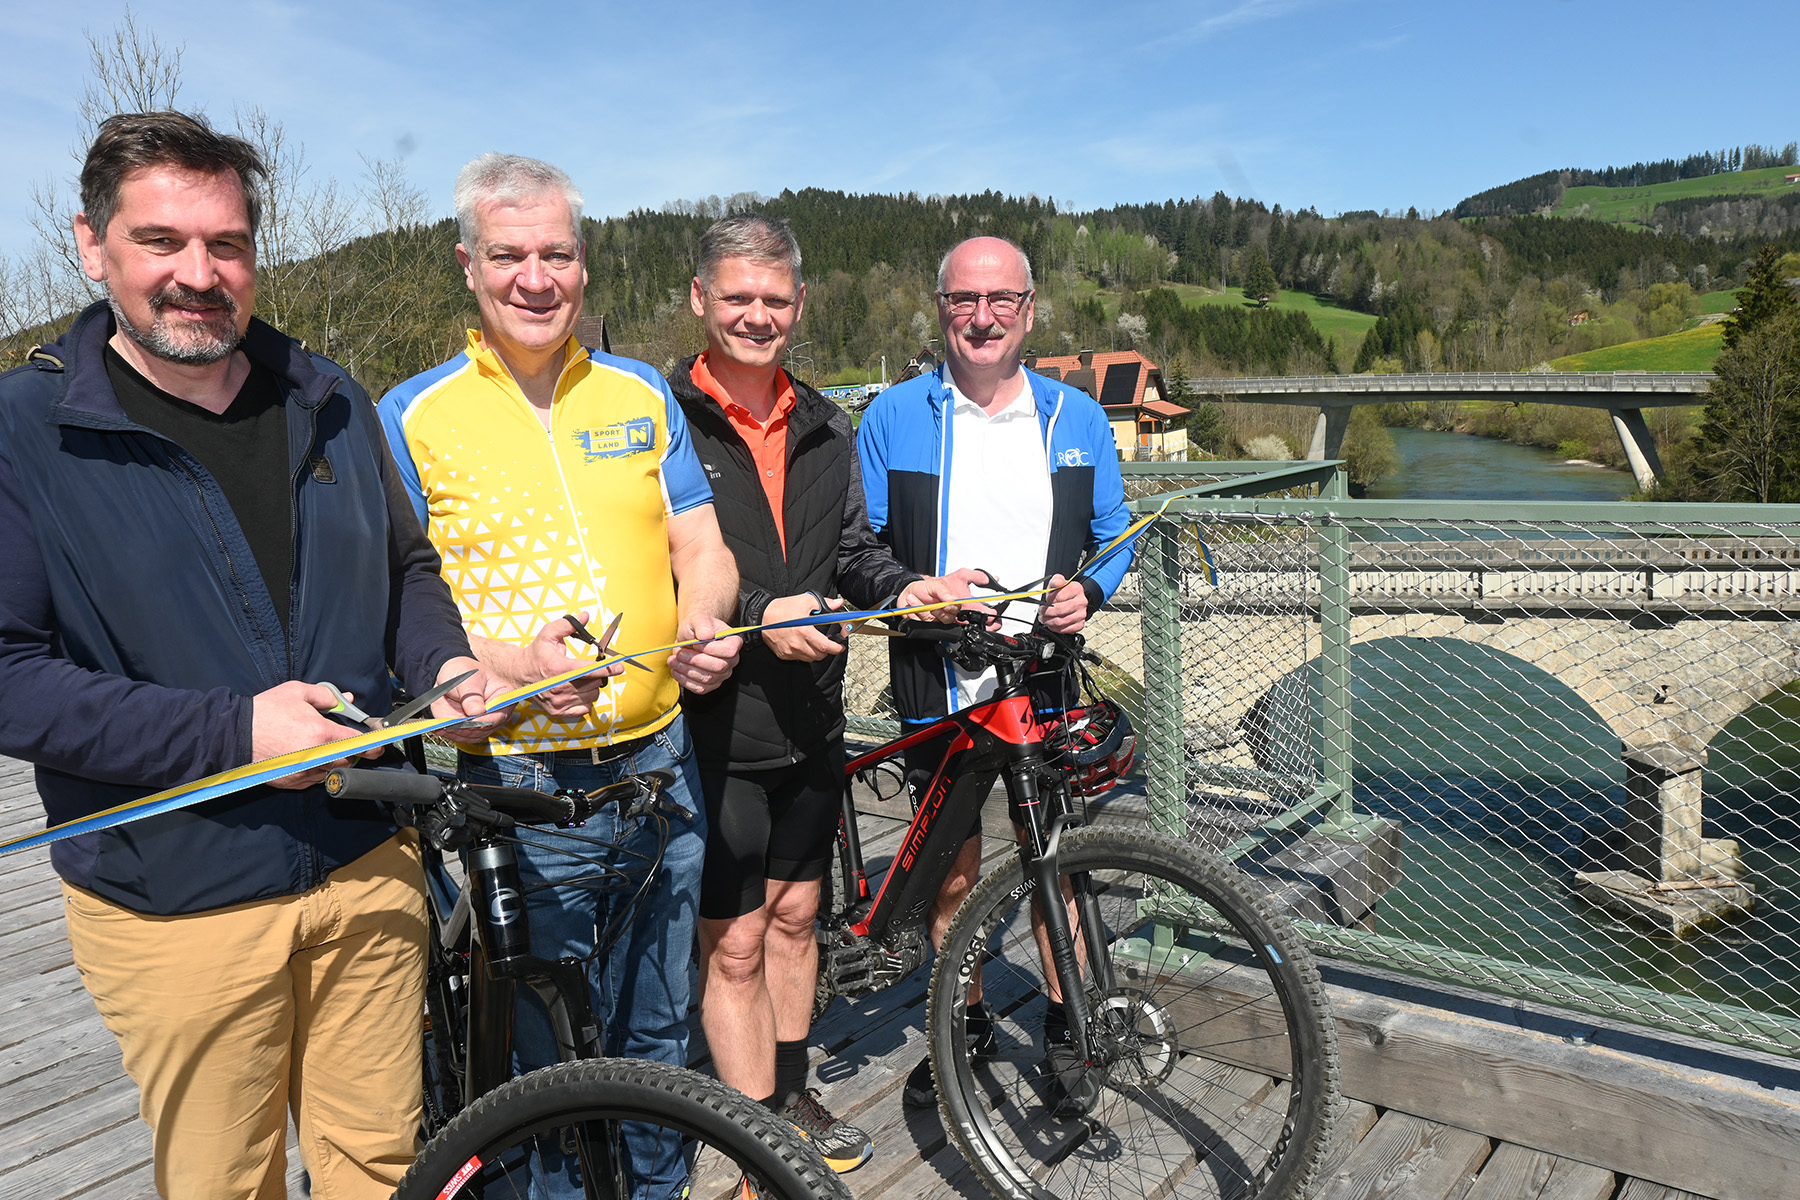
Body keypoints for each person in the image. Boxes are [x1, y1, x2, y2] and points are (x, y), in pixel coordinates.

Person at [0, 111, 501, 1199]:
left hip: (370, 863)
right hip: (177, 899)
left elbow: (408, 571)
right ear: (92, 245)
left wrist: (445, 673)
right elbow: (8, 677)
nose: (199, 274)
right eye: (161, 242)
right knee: (225, 1184)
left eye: (225, 245)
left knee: (380, 1167)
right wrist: (237, 731)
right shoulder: (25, 430)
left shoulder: (326, 397)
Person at [379, 153, 741, 1200]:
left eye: (557, 254)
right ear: (467, 265)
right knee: (544, 1069)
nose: (535, 278)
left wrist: (705, 618)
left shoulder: (640, 391)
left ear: (585, 265)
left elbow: (702, 546)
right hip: (523, 788)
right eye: (508, 256)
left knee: (659, 1035)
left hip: (659, 764)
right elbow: (401, 611)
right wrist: (509, 670)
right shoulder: (410, 415)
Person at [669, 213, 978, 1172]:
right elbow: (666, 561)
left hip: (813, 711)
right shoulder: (663, 415)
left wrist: (904, 589)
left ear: (798, 307)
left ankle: (790, 1091)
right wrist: (760, 607)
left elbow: (849, 552)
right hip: (714, 717)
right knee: (736, 941)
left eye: (773, 300)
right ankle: (753, 1128)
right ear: (699, 301)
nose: (756, 317)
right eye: (737, 299)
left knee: (800, 917)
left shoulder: (826, 421)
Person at [855, 235, 1134, 1108]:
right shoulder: (892, 416)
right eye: (964, 302)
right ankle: (963, 1023)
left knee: (1060, 862)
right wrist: (909, 593)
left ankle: (1068, 1027)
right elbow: (856, 545)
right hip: (935, 678)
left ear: (1029, 308)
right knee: (954, 872)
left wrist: (1088, 590)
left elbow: (1118, 528)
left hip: (1043, 679)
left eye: (1000, 301)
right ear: (941, 309)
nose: (982, 318)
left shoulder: (1075, 417)